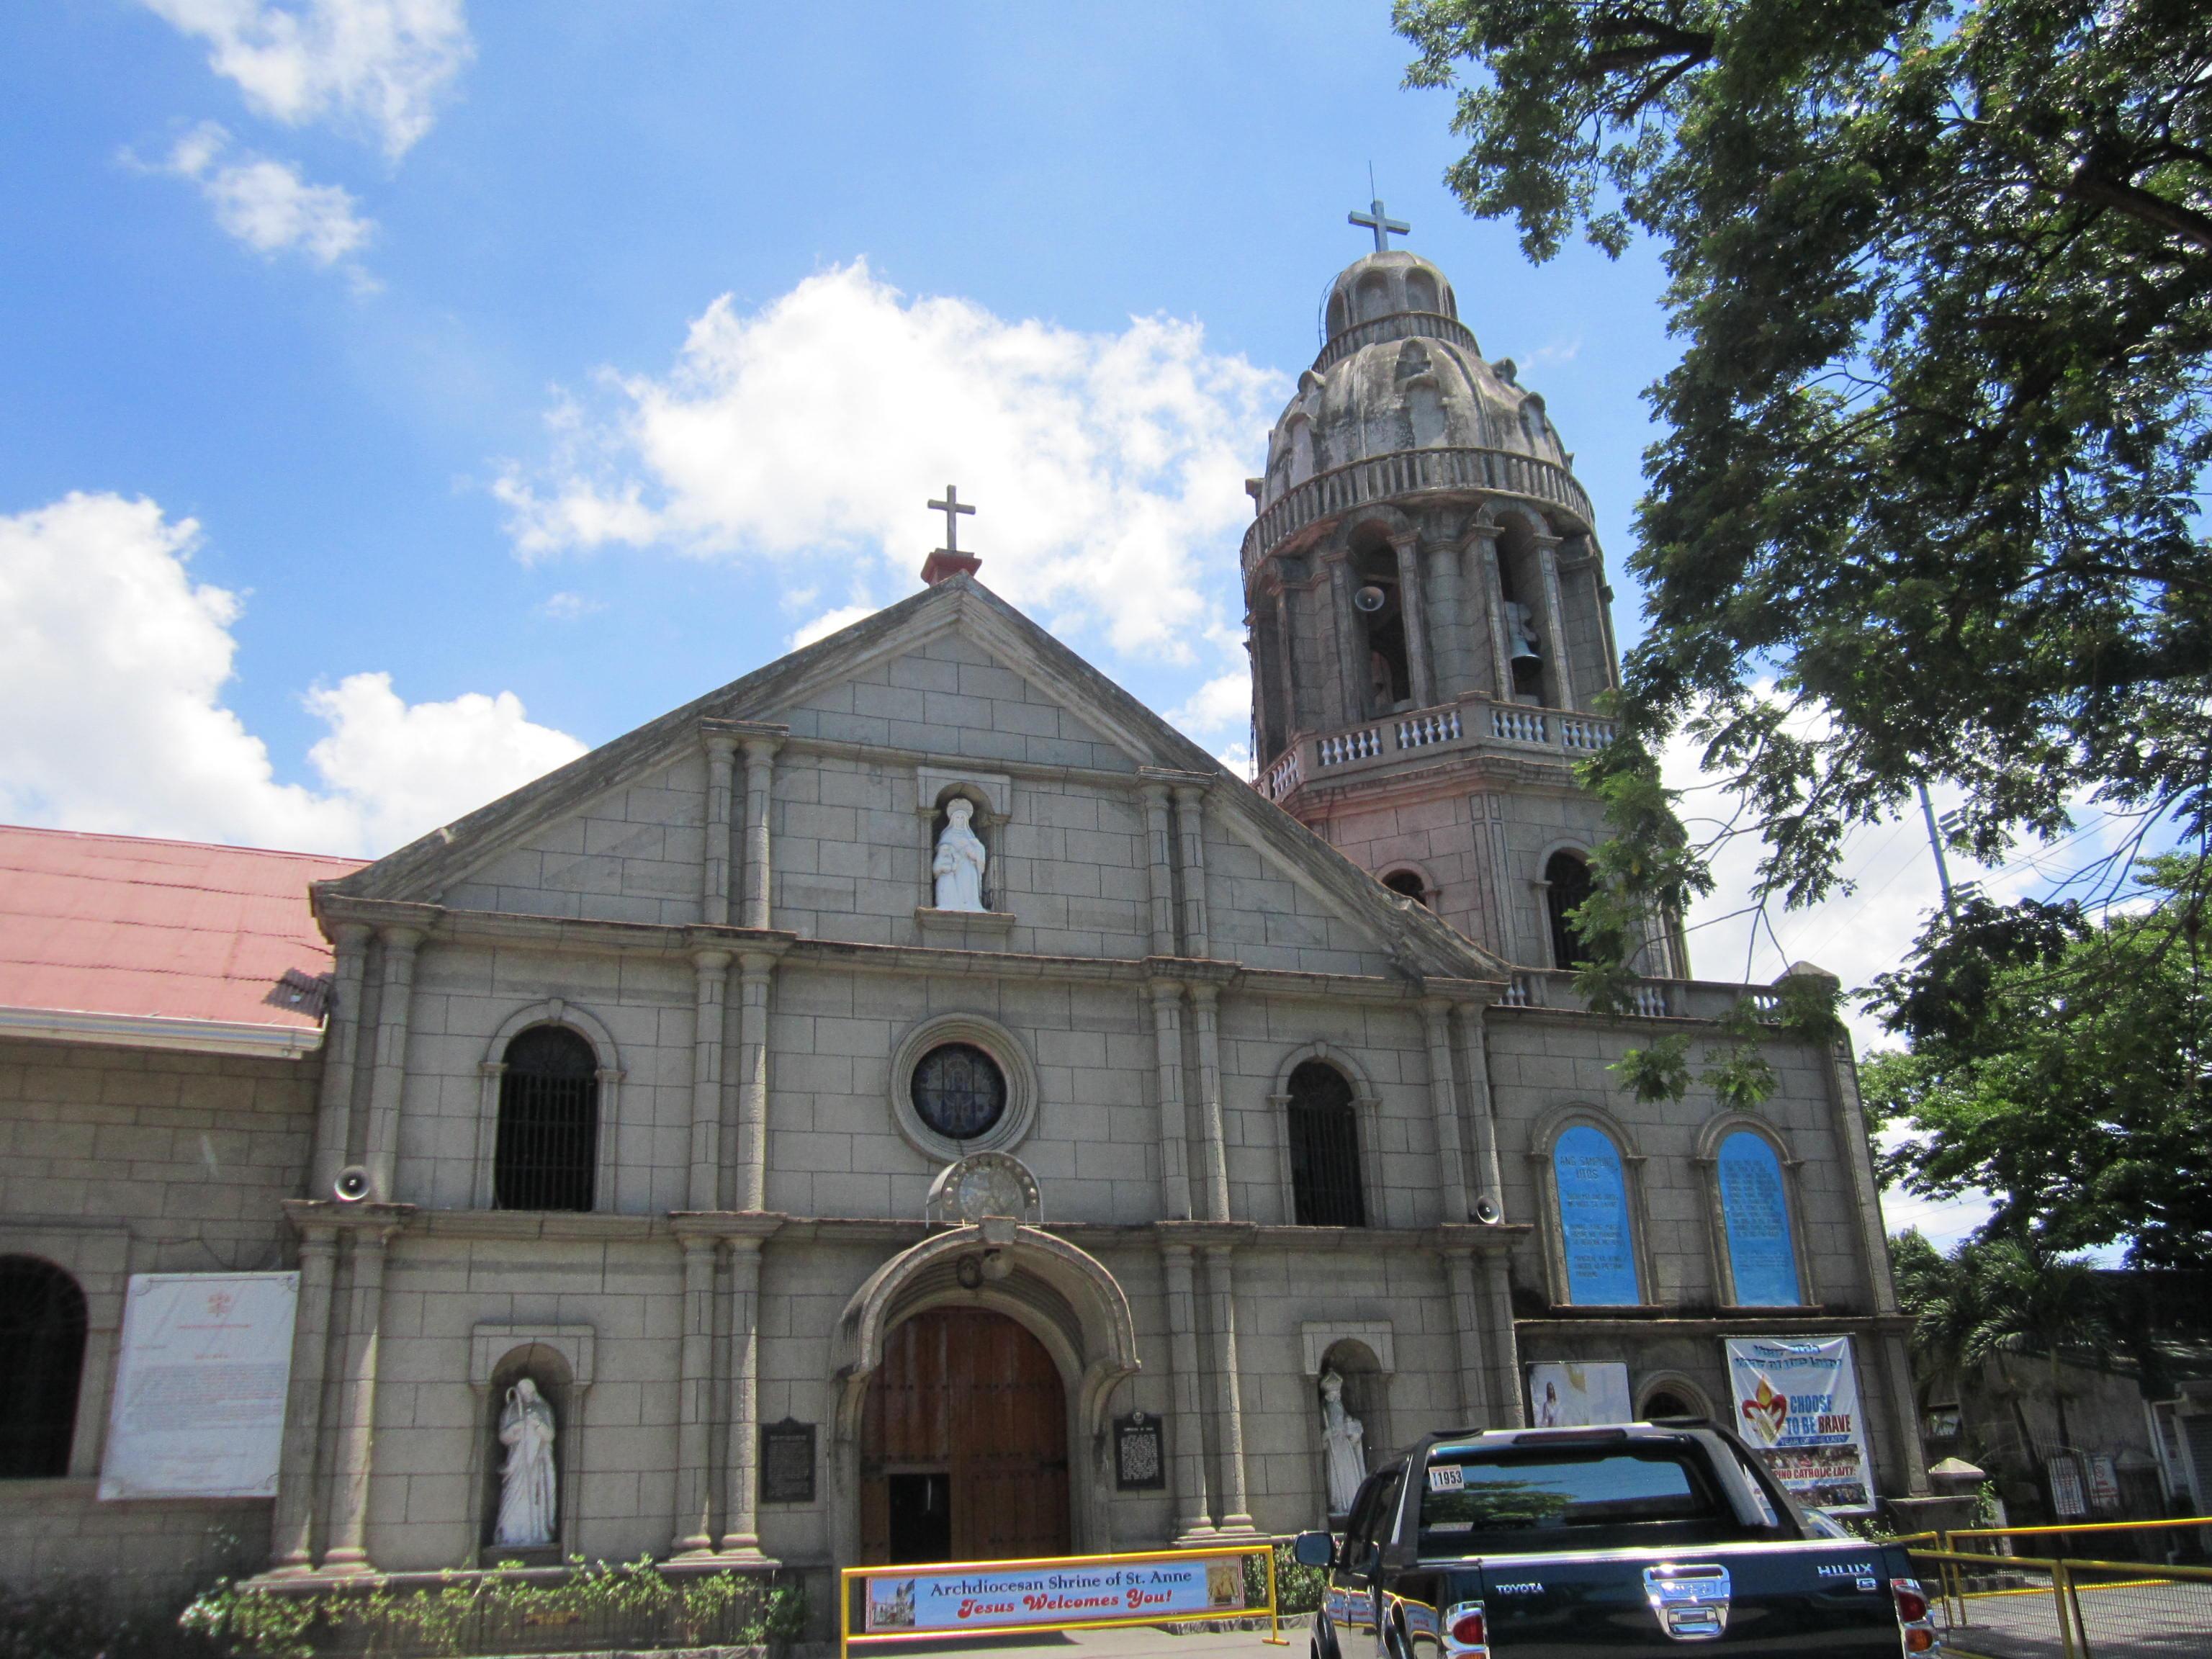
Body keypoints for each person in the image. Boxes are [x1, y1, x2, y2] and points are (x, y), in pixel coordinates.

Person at [494, 1377, 557, 1547]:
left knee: (535, 1498)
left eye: (530, 1392)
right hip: (517, 1464)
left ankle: (535, 1534)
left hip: (537, 1464)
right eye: (523, 1392)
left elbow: (550, 1436)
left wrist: (537, 1425)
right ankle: (511, 1534)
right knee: (513, 1496)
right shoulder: (511, 1410)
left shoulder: (543, 1409)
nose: (527, 1395)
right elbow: (504, 1437)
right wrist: (515, 1429)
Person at [1320, 1370, 1366, 1516]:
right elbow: (1324, 1436)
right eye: (1332, 1396)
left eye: (1337, 1395)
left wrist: (1352, 1428)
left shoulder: (1340, 1409)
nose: (1335, 1399)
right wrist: (1326, 1436)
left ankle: (1351, 1502)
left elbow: (1349, 1428)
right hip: (1335, 1450)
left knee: (1349, 1475)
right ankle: (1340, 1503)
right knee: (1336, 1477)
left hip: (1344, 1447)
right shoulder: (1325, 1411)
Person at [932, 799, 988, 912]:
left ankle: (970, 905)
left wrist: (972, 849)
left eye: (962, 818)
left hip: (967, 866)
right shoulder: (947, 834)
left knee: (968, 886)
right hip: (953, 868)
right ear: (953, 819)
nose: (960, 820)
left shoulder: (970, 837)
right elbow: (943, 852)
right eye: (958, 817)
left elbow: (978, 853)